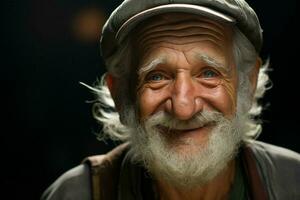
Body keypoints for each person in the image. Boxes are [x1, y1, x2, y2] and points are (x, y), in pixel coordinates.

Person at [41, 0, 300, 199]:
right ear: (120, 95)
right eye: (156, 77)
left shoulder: (293, 183)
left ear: (248, 83)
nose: (184, 107)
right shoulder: (74, 194)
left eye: (208, 73)